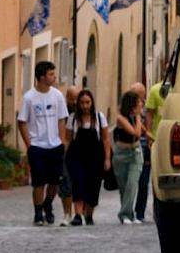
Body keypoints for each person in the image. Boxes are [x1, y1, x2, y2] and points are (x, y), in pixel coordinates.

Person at [16, 61, 68, 226]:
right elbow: (22, 121)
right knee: (39, 182)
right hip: (37, 146)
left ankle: (48, 203)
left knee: (54, 181)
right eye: (51, 74)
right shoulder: (29, 98)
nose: (54, 77)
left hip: (55, 145)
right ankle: (38, 212)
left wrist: (61, 140)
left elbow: (61, 119)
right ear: (42, 77)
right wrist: (29, 144)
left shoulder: (57, 96)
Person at [63, 88, 109, 226]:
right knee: (78, 183)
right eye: (82, 102)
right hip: (77, 157)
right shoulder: (73, 119)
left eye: (87, 102)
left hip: (96, 157)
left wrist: (107, 159)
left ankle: (89, 214)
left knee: (93, 186)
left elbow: (106, 139)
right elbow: (68, 139)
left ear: (92, 102)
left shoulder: (100, 118)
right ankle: (77, 214)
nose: (85, 106)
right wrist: (63, 156)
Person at [112, 90, 145, 224]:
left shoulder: (134, 117)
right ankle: (129, 215)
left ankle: (124, 214)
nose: (141, 105)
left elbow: (142, 131)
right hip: (121, 154)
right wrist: (138, 116)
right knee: (124, 187)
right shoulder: (121, 118)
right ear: (132, 104)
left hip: (135, 153)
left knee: (132, 184)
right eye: (139, 102)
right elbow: (135, 132)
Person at [59, 85, 81, 222]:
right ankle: (67, 213)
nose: (74, 103)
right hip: (66, 152)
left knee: (79, 183)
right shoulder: (62, 112)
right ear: (67, 98)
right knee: (65, 184)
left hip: (80, 153)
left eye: (77, 99)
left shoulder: (87, 112)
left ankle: (79, 213)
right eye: (72, 99)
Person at [130, 81, 151, 223]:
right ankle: (128, 211)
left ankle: (140, 213)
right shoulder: (127, 109)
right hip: (132, 147)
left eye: (139, 94)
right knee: (131, 183)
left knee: (143, 182)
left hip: (145, 147)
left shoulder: (147, 108)